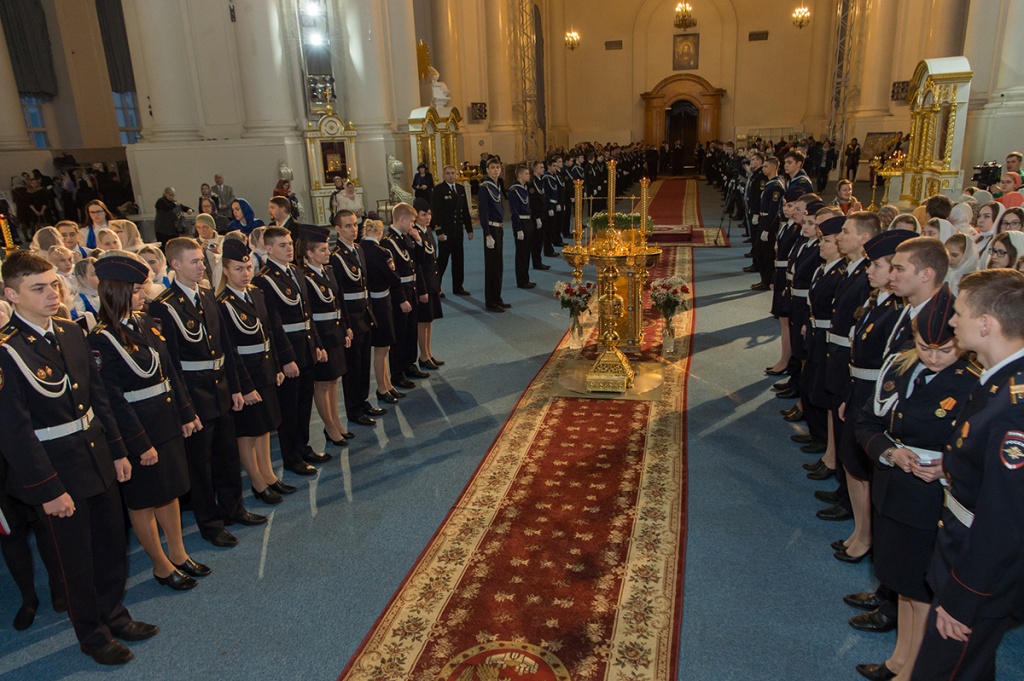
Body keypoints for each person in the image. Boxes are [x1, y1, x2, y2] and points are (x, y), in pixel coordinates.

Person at [0, 250, 158, 665]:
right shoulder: (8, 352)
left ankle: (115, 614)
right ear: (11, 295)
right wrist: (47, 489)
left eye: (54, 284)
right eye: (39, 288)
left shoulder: (70, 331)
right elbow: (14, 435)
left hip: (95, 455)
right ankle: (91, 633)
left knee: (110, 545)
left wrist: (119, 451)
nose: (53, 293)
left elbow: (98, 399)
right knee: (75, 562)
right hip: (56, 469)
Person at [854, 284, 978, 680]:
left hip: (933, 498)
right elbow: (868, 422)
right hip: (894, 484)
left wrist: (947, 464)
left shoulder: (972, 382)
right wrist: (889, 451)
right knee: (902, 583)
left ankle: (911, 671)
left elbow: (976, 450)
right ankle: (899, 659)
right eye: (926, 347)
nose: (935, 358)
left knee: (922, 588)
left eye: (945, 350)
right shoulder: (901, 366)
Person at [910, 269, 1024, 680]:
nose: (952, 321)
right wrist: (954, 466)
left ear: (986, 324)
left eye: (958, 313)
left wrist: (964, 599)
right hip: (962, 551)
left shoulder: (1015, 408)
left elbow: (1005, 520)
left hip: (979, 576)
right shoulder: (998, 382)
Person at [89, 253, 209, 592]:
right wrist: (140, 444)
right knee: (143, 500)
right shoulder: (101, 339)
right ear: (117, 291)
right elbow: (111, 399)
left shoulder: (145, 323)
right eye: (137, 290)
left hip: (165, 419)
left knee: (169, 490)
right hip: (137, 429)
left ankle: (179, 553)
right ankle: (159, 564)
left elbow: (170, 372)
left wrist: (186, 413)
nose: (144, 295)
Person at [149, 238, 265, 547]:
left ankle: (233, 509)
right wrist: (185, 409)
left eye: (202, 260)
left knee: (226, 455)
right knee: (201, 466)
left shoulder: (206, 294)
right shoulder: (164, 305)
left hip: (221, 387)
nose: (202, 266)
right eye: (194, 261)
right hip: (195, 393)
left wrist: (237, 386)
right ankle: (210, 523)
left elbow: (226, 345)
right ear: (175, 265)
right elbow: (170, 364)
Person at [216, 239, 294, 506]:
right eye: (238, 268)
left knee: (265, 427)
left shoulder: (256, 294)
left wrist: (275, 367)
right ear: (226, 271)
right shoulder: (223, 303)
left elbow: (269, 333)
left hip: (264, 369)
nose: (245, 273)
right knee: (248, 433)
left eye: (248, 267)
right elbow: (231, 351)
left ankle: (269, 475)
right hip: (246, 375)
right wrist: (245, 387)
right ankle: (257, 482)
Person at [253, 227, 328, 477]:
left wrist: (316, 343)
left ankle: (303, 446)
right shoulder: (264, 280)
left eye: (289, 244)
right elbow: (272, 324)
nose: (288, 248)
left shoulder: (296, 271)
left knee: (304, 402)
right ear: (269, 249)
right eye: (282, 245)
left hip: (305, 345)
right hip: (289, 351)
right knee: (289, 407)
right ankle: (291, 457)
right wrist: (285, 358)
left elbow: (308, 313)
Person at [297, 223, 353, 449]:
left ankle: (336, 421)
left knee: (334, 379)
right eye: (321, 250)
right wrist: (316, 343)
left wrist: (346, 327)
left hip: (335, 330)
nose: (327, 252)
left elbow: (339, 302)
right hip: (321, 334)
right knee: (322, 383)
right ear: (309, 253)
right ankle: (329, 426)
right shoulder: (305, 276)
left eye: (327, 248)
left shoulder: (328, 271)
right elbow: (308, 312)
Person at [331, 210, 384, 424]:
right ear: (338, 229)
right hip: (350, 316)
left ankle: (363, 401)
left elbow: (364, 284)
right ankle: (354, 409)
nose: (353, 229)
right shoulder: (336, 257)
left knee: (364, 362)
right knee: (353, 367)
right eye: (347, 226)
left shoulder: (358, 250)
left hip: (363, 312)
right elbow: (338, 293)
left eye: (354, 225)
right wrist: (345, 324)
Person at [382, 203, 429, 388]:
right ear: (401, 219)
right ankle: (397, 371)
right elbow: (392, 275)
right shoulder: (388, 242)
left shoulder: (407, 237)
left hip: (412, 287)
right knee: (400, 333)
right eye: (411, 221)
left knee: (412, 330)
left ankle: (410, 364)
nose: (413, 225)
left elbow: (419, 261)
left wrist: (418, 241)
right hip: (400, 291)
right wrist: (401, 298)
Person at [361, 219, 402, 407]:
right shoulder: (381, 252)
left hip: (369, 301)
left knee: (383, 347)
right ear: (380, 232)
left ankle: (387, 383)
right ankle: (382, 387)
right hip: (381, 301)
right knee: (382, 348)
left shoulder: (360, 249)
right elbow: (393, 278)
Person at [431, 165, 473, 296]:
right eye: (448, 173)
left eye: (453, 173)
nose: (451, 175)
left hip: (457, 232)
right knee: (442, 261)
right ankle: (436, 288)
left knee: (458, 260)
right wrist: (439, 232)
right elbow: (435, 213)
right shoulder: (438, 190)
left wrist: (469, 229)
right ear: (444, 176)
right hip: (446, 233)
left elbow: (464, 210)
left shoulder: (460, 189)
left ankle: (458, 287)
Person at [412, 198, 444, 370]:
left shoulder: (427, 231)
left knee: (430, 320)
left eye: (429, 214)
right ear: (416, 215)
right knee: (423, 321)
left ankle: (429, 353)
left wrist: (437, 283)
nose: (427, 217)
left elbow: (433, 260)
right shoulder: (414, 234)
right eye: (424, 214)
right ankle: (423, 355)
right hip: (423, 283)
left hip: (432, 281)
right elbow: (418, 265)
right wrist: (423, 288)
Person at [479, 158, 507, 312]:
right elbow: (484, 213)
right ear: (487, 170)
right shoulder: (485, 187)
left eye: (498, 167)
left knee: (498, 266)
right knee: (492, 267)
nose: (496, 170)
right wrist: (487, 234)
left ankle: (498, 297)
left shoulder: (496, 185)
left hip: (499, 229)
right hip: (491, 230)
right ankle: (491, 302)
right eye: (492, 167)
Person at [509, 165, 536, 290]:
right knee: (521, 254)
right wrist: (518, 228)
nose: (528, 176)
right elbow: (514, 211)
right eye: (526, 174)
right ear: (519, 175)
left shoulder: (524, 188)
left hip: (528, 221)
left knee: (526, 252)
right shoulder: (514, 190)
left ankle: (526, 278)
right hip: (521, 222)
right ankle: (521, 280)